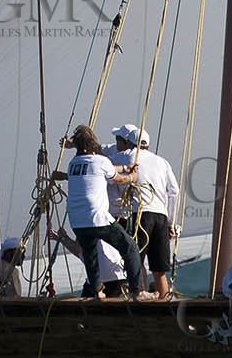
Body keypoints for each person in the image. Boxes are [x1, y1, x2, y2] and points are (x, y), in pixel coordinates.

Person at [50, 124, 149, 299]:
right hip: (97, 218)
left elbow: (101, 170)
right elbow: (119, 179)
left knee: (90, 254)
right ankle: (137, 291)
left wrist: (124, 167)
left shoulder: (73, 164)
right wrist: (132, 176)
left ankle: (97, 291)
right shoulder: (101, 161)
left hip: (77, 221)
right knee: (130, 248)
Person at [107, 123, 181, 298]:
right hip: (161, 216)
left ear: (129, 143)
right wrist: (170, 223)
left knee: (136, 261)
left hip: (140, 214)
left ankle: (140, 297)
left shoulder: (125, 156)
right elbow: (174, 191)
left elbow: (104, 168)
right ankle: (164, 300)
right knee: (159, 269)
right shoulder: (162, 161)